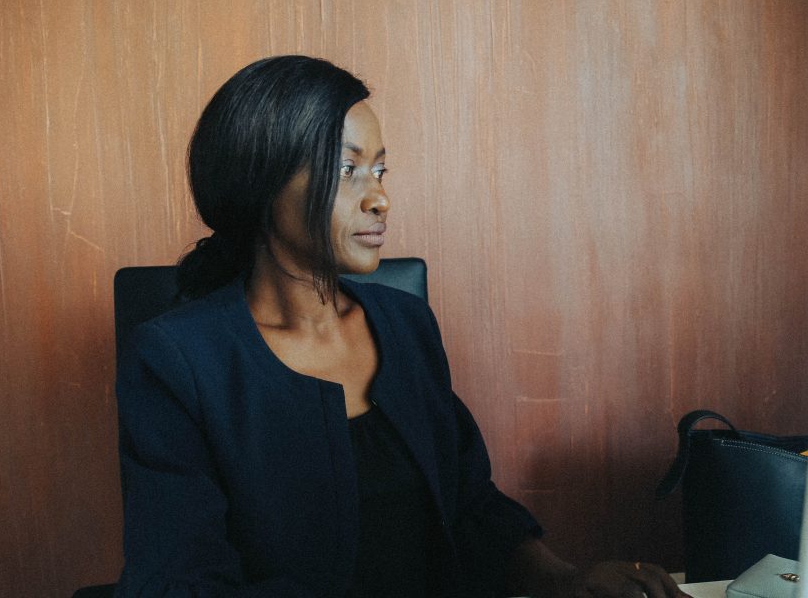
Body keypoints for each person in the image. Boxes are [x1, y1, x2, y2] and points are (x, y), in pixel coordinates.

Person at [115, 55, 687, 598]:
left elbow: (469, 505)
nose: (380, 198)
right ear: (261, 183)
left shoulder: (405, 324)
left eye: (380, 170)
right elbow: (180, 582)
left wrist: (567, 581)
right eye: (347, 170)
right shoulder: (177, 360)